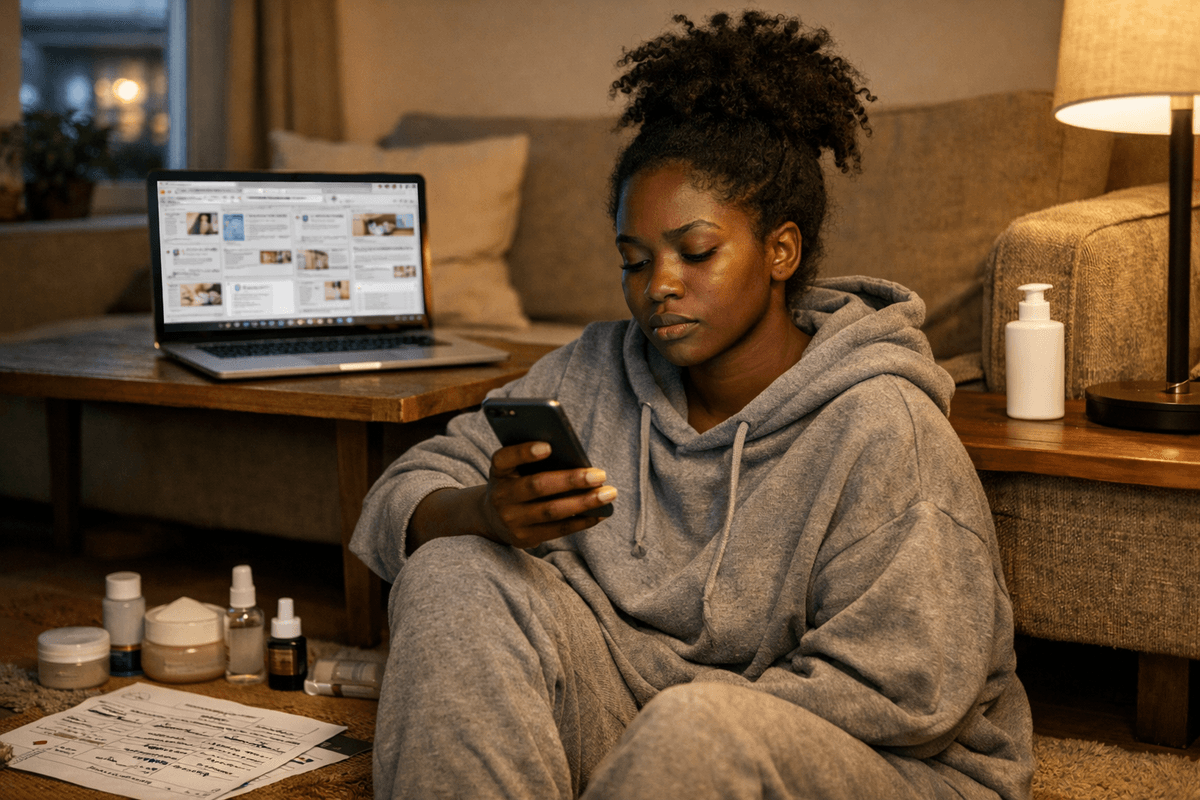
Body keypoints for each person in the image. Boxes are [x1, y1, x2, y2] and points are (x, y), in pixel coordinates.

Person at [351, 10, 1034, 800]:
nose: (659, 286)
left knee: (696, 734)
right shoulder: (593, 371)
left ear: (782, 250)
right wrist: (483, 510)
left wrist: (677, 733)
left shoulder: (884, 425)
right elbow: (399, 496)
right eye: (634, 262)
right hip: (646, 722)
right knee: (452, 570)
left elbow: (909, 693)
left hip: (882, 761)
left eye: (696, 252)